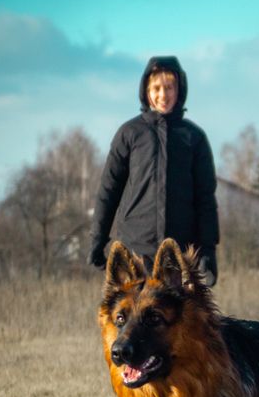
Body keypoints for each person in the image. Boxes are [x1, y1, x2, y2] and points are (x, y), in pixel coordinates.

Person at [88, 55, 219, 285]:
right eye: (157, 88)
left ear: (180, 90)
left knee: (176, 320)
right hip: (136, 251)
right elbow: (109, 191)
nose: (163, 94)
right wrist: (98, 241)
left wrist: (208, 251)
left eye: (169, 87)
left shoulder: (194, 138)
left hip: (179, 257)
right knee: (136, 320)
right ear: (146, 90)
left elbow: (205, 199)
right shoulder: (129, 134)